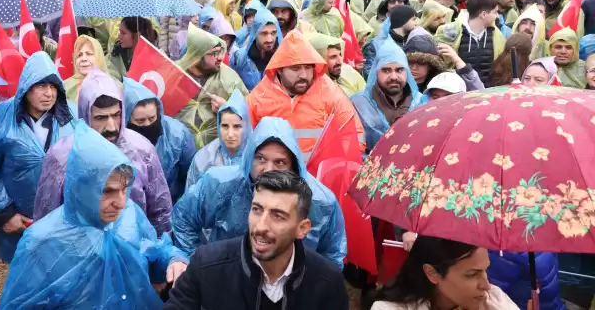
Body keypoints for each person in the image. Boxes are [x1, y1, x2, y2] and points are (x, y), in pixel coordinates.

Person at [0, 130, 188, 309]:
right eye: (107, 191)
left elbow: (153, 250)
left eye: (124, 189)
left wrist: (173, 259)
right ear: (80, 187)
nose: (121, 203)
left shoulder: (130, 214)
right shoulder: (40, 241)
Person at [172, 117, 347, 268]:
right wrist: (197, 265)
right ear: (249, 157)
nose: (268, 170)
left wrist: (309, 289)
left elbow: (332, 253)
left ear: (293, 166)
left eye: (279, 162)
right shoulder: (219, 183)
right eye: (261, 159)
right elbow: (183, 219)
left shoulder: (320, 201)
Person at [164, 170, 349, 310]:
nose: (260, 227)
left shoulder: (326, 282)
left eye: (278, 215)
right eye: (257, 209)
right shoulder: (207, 265)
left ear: (302, 229)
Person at [0, 52, 89, 263]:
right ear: (26, 88)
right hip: (20, 223)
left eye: (53, 86)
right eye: (41, 86)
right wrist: (5, 213)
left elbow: (86, 162)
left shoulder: (72, 116)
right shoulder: (1, 118)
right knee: (25, 284)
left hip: (65, 222)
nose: (48, 93)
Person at [33, 68, 172, 235]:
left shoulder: (142, 150)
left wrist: (160, 253)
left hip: (135, 251)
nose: (111, 126)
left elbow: (160, 210)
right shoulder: (62, 156)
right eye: (101, 118)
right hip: (80, 252)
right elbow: (47, 218)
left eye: (116, 115)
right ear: (85, 115)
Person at [246, 30, 364, 154]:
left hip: (319, 172)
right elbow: (243, 143)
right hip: (275, 172)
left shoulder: (329, 91)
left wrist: (332, 164)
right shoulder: (259, 97)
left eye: (308, 67)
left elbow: (356, 136)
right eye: (295, 68)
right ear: (279, 70)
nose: (303, 75)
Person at [365, 236, 518, 310]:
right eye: (472, 274)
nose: (486, 286)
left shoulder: (495, 300)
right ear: (432, 273)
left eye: (485, 270)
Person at [123, 77, 196, 203]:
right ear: (127, 118)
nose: (147, 124)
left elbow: (192, 175)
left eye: (152, 118)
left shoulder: (177, 134)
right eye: (140, 121)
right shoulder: (120, 138)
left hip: (173, 203)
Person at [176, 24, 248, 149]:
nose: (220, 58)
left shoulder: (229, 78)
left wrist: (226, 108)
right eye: (214, 53)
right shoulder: (174, 74)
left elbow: (247, 112)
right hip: (180, 149)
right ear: (197, 55)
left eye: (221, 52)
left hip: (215, 152)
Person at [351, 37, 422, 152]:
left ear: (407, 72)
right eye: (386, 70)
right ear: (376, 72)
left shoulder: (421, 102)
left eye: (399, 70)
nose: (393, 77)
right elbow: (353, 147)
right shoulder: (358, 104)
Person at [435, 0, 504, 87]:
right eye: (495, 12)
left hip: (488, 92)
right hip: (458, 92)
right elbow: (439, 66)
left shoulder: (497, 34)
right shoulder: (449, 32)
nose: (497, 16)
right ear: (483, 14)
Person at [186, 89, 251, 189]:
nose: (230, 134)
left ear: (246, 127)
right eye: (225, 126)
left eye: (237, 127)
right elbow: (190, 199)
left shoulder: (257, 156)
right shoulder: (204, 158)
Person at [230, 8, 282, 91]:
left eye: (273, 33)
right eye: (264, 33)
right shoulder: (239, 58)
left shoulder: (282, 59)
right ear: (255, 33)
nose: (270, 39)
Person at [63, 34, 115, 103]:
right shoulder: (65, 86)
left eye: (89, 54)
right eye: (79, 55)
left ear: (99, 57)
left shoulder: (112, 86)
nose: (83, 59)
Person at [403, 28, 447, 92]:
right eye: (411, 62)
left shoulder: (440, 88)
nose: (414, 68)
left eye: (421, 63)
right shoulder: (395, 86)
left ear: (431, 66)